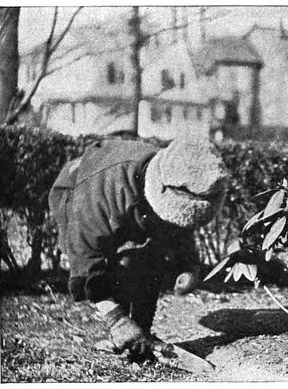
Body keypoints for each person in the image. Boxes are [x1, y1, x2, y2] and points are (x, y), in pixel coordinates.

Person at [48, 136, 228, 360]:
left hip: (129, 195)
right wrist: (117, 320)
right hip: (77, 187)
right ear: (158, 190)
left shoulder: (181, 172)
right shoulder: (99, 195)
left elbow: (179, 225)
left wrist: (188, 264)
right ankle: (122, 333)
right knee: (118, 267)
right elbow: (86, 261)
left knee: (148, 258)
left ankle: (142, 335)